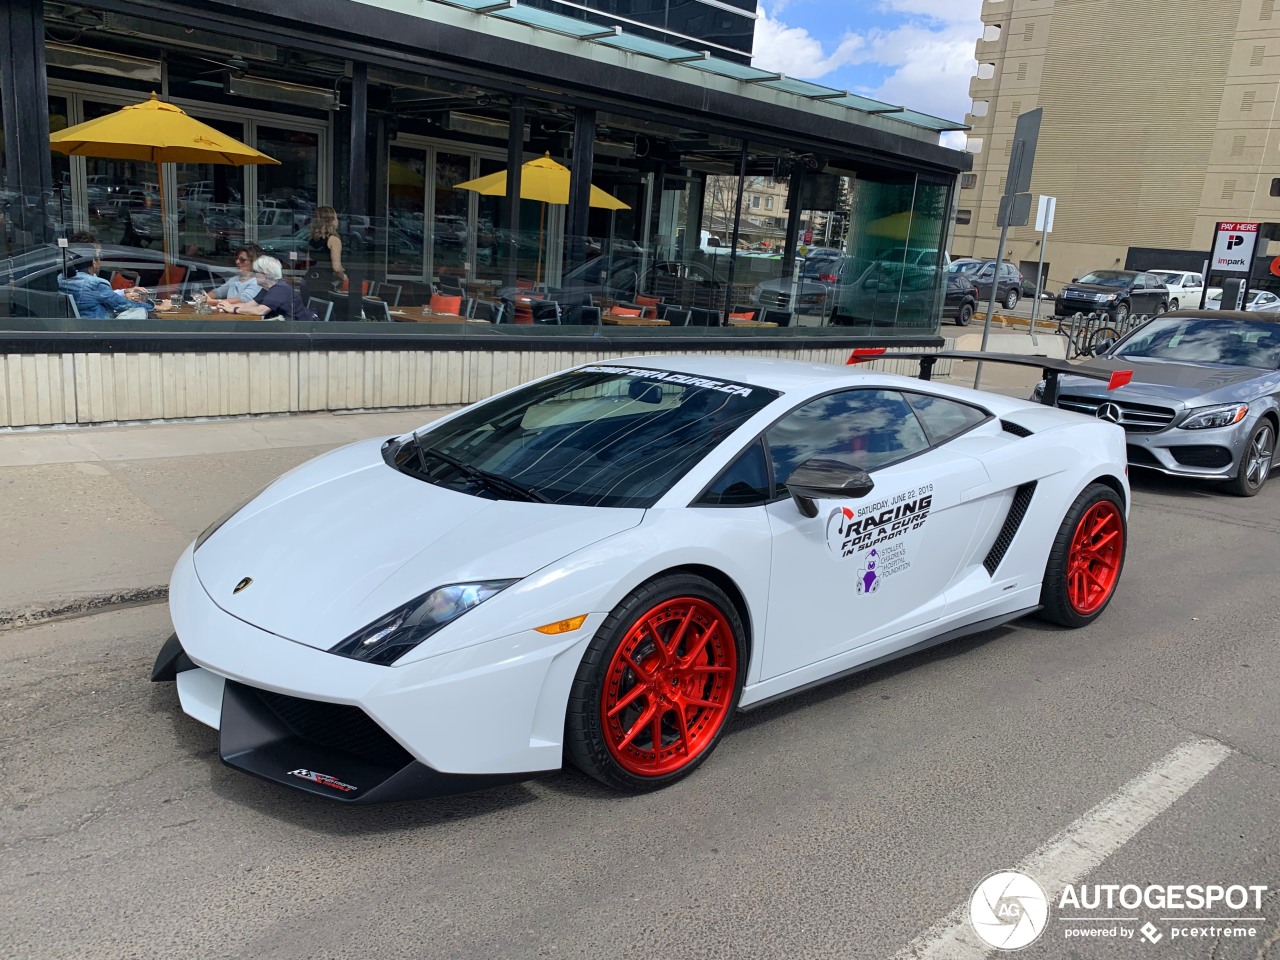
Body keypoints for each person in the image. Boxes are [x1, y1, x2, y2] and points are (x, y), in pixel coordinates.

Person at [58, 232, 165, 320]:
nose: (101, 260)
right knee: (141, 313)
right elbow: (123, 305)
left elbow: (94, 295)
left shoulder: (62, 278)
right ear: (93, 261)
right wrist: (156, 306)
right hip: (101, 330)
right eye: (99, 256)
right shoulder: (95, 283)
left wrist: (124, 292)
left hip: (81, 327)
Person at [217, 255, 317, 321]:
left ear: (264, 275)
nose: (253, 275)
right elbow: (249, 305)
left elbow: (260, 311)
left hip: (301, 331)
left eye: (255, 272)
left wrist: (233, 309)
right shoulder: (267, 288)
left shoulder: (279, 289)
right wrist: (226, 305)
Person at [304, 205, 347, 296]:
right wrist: (344, 277)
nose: (337, 221)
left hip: (309, 280)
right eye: (336, 218)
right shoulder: (334, 240)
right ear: (331, 220)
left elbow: (309, 263)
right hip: (323, 283)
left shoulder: (313, 239)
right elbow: (336, 267)